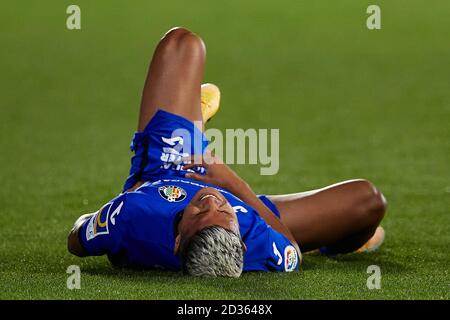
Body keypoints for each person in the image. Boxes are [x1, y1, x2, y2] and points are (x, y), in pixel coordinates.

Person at [67, 27, 387, 277]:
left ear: (178, 242)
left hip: (166, 166)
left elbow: (76, 239)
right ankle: (332, 246)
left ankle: (193, 124)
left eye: (199, 214)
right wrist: (231, 183)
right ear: (240, 241)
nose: (211, 201)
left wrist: (103, 212)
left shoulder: (133, 215)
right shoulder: (253, 241)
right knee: (369, 201)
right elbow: (291, 249)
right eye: (222, 214)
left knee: (182, 43)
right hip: (252, 209)